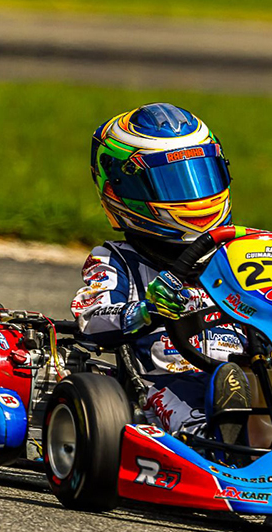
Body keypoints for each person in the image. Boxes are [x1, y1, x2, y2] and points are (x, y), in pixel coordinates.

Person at [72, 102, 251, 443]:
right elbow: (90, 319)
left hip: (245, 370)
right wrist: (146, 310)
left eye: (202, 175)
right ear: (124, 190)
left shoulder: (237, 257)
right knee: (192, 406)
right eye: (174, 184)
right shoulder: (117, 260)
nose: (195, 197)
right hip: (165, 377)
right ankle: (217, 443)